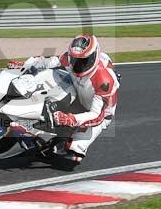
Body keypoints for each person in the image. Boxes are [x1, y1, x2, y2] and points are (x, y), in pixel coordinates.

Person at [8, 34, 119, 166]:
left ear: (93, 57)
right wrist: (25, 64)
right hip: (77, 93)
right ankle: (30, 123)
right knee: (50, 79)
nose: (77, 64)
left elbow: (98, 116)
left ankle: (52, 142)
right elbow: (47, 61)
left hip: (97, 115)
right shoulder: (70, 58)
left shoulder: (104, 80)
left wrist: (71, 119)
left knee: (73, 153)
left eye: (83, 61)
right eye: (74, 59)